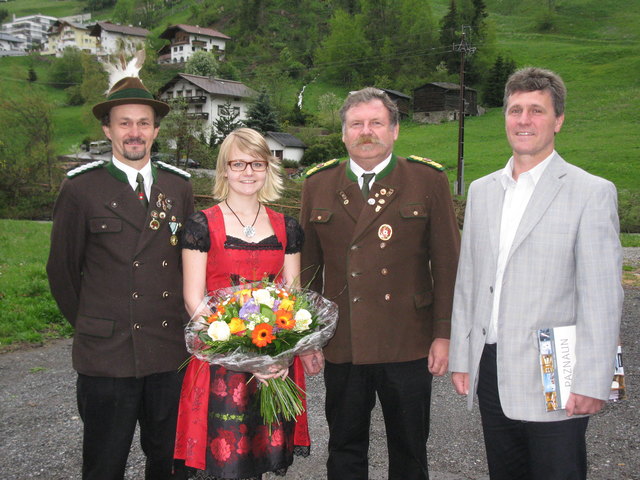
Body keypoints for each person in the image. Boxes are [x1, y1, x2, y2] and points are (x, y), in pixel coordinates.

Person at [449, 67, 623, 479]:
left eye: (536, 111)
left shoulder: (591, 192)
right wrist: (462, 357)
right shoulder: (482, 190)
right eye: (515, 110)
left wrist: (598, 381)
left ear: (558, 120)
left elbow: (603, 296)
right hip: (491, 367)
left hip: (556, 371)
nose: (523, 120)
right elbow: (468, 281)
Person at [300, 87, 461, 480]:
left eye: (376, 123)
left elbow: (448, 263)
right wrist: (306, 338)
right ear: (343, 134)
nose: (366, 131)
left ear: (395, 131)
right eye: (356, 124)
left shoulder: (426, 179)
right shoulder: (319, 184)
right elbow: (307, 269)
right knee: (344, 448)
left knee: (409, 449)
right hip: (343, 340)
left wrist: (444, 334)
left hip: (407, 338)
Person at [46, 68, 194, 479]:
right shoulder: (81, 188)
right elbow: (62, 271)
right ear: (107, 130)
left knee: (171, 462)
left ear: (156, 130)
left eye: (143, 123)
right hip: (107, 357)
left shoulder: (178, 187)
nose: (135, 132)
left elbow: (190, 262)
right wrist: (95, 324)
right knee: (104, 463)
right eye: (124, 122)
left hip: (168, 350)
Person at [174, 127, 316, 479]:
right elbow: (194, 296)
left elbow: (294, 298)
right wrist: (237, 351)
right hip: (221, 362)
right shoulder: (200, 225)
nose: (248, 172)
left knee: (261, 461)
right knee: (226, 463)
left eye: (256, 163)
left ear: (268, 169)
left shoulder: (288, 227)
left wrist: (278, 355)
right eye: (238, 164)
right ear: (224, 169)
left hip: (274, 364)